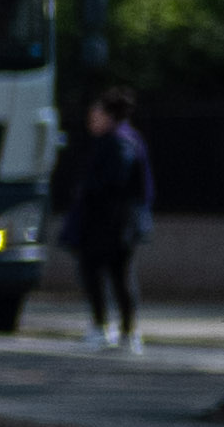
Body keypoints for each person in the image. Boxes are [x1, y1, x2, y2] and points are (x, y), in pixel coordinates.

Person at [54, 88, 160, 347]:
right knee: (119, 273)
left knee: (99, 271)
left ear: (109, 115)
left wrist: (89, 190)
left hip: (109, 221)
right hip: (118, 221)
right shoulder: (127, 138)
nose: (91, 119)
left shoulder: (118, 142)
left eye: (96, 114)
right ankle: (125, 330)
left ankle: (106, 327)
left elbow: (113, 179)